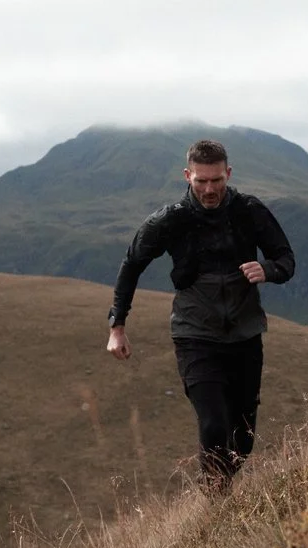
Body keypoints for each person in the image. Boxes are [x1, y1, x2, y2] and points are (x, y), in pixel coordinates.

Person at [105, 138, 296, 495]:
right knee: (212, 426)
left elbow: (287, 260)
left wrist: (268, 270)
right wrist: (117, 325)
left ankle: (221, 488)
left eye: (217, 181)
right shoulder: (170, 220)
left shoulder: (249, 211)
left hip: (245, 333)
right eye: (201, 181)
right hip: (195, 336)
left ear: (228, 173)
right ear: (187, 176)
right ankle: (216, 505)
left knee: (242, 439)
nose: (209, 189)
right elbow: (131, 264)